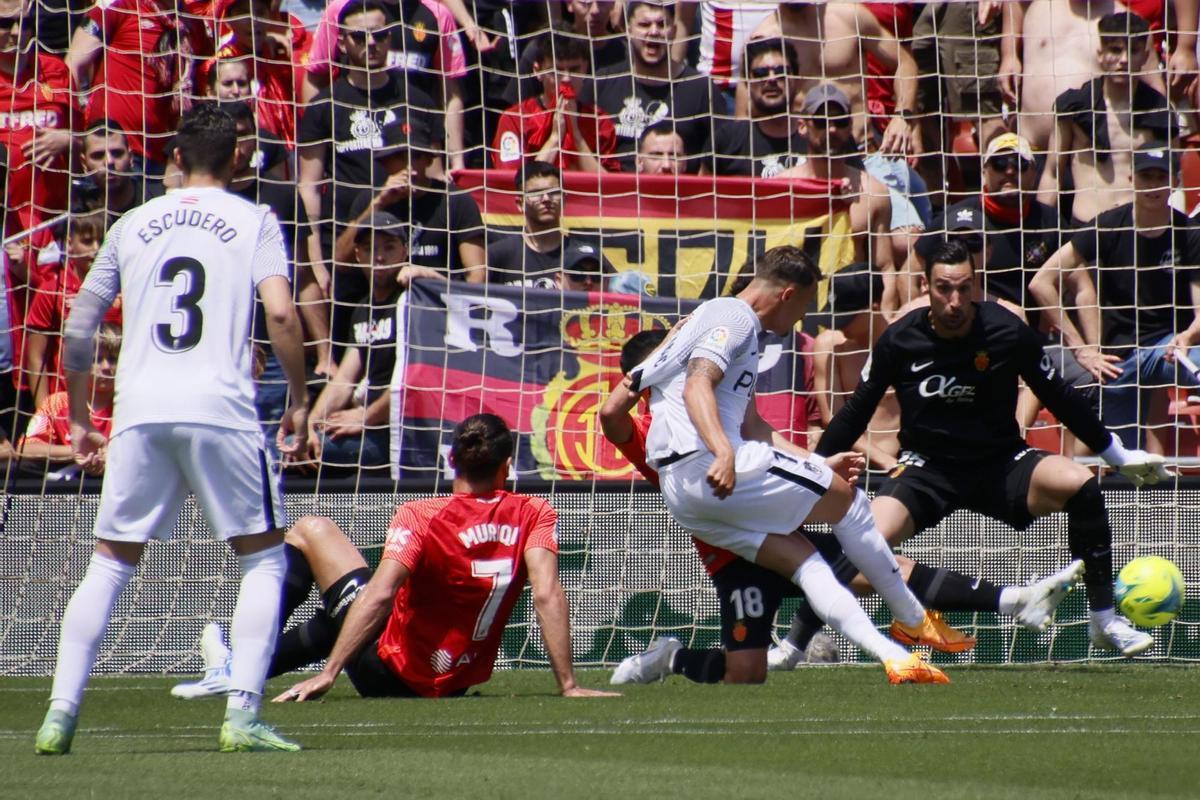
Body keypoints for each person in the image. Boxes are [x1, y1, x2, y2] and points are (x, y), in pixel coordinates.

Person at [34, 104, 311, 755]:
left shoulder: (132, 222)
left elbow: (78, 326)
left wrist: (77, 418)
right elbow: (281, 313)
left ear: (177, 159)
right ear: (238, 158)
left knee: (108, 564)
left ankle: (60, 714)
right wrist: (299, 399)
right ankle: (242, 716)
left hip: (139, 410)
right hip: (221, 409)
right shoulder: (256, 220)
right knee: (265, 560)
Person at [604, 329, 1084, 683]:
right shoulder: (648, 431)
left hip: (774, 521)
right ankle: (672, 657)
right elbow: (611, 418)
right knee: (744, 673)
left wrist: (817, 464)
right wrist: (637, 381)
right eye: (670, 360)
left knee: (870, 563)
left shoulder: (714, 400)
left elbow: (762, 440)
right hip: (732, 549)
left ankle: (1011, 600)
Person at [810, 238, 1171, 662]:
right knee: (859, 545)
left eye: (965, 287)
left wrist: (1117, 454)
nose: (956, 300)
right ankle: (800, 644)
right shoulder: (899, 340)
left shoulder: (1004, 329)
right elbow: (855, 411)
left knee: (1080, 484)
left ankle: (1104, 619)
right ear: (926, 288)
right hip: (927, 469)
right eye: (945, 288)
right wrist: (815, 466)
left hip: (1002, 463)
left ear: (976, 285)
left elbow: (1057, 394)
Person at [626, 244, 968, 684]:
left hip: (685, 496)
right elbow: (697, 388)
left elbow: (749, 425)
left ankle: (894, 656)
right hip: (712, 465)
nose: (803, 319)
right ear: (788, 295)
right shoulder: (735, 319)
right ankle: (912, 617)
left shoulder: (704, 321)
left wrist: (816, 462)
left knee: (808, 564)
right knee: (849, 501)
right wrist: (724, 452)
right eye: (806, 305)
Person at [208, 413, 614, 702]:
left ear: (451, 459)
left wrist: (329, 674)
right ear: (506, 467)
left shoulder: (421, 514)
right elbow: (547, 594)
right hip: (453, 682)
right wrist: (568, 684)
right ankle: (238, 668)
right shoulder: (534, 512)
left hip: (388, 673)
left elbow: (382, 594)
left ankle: (239, 661)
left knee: (311, 530)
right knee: (338, 613)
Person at [1030, 144, 1200, 451]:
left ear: (1174, 181)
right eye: (1146, 176)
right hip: (1118, 363)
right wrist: (1081, 349)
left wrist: (1188, 335)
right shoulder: (1108, 226)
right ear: (1132, 178)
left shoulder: (1189, 232)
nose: (1153, 185)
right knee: (1119, 460)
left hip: (1170, 352)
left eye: (1160, 176)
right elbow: (1041, 282)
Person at [304, 211, 438, 470]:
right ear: (358, 255)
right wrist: (310, 424)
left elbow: (414, 380)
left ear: (405, 251)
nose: (379, 257)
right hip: (369, 423)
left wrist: (365, 417)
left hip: (403, 429)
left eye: (389, 248)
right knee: (296, 446)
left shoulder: (416, 300)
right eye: (369, 249)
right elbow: (344, 380)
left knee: (309, 453)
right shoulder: (362, 310)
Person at [1038, 12, 1180, 227]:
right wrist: (1043, 232)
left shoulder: (1159, 112)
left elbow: (1171, 175)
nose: (1123, 60)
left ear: (1144, 56)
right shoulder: (1074, 106)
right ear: (1100, 54)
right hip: (1086, 226)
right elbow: (1052, 172)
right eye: (1115, 50)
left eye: (1132, 51)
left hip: (1138, 229)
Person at [579, 1, 716, 173]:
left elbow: (717, 159)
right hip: (612, 195)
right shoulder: (601, 82)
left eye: (661, 24)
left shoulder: (701, 89)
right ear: (628, 30)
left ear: (673, 31)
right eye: (644, 24)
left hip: (679, 196)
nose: (653, 31)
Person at [780, 84, 895, 274]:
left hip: (851, 300)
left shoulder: (874, 191)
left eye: (839, 121)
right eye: (821, 121)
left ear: (850, 126)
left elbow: (885, 267)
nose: (832, 129)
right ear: (802, 126)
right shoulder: (781, 188)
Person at [491, 24, 618, 173]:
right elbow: (515, 184)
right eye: (557, 71)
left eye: (574, 69)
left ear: (585, 69)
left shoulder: (600, 121)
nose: (566, 78)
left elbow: (610, 188)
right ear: (538, 71)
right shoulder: (514, 119)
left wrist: (576, 137)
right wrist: (555, 138)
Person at [487, 162, 612, 288]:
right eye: (536, 193)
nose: (546, 198)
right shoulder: (497, 255)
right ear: (520, 203)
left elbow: (615, 299)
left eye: (553, 192)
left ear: (564, 199)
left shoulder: (587, 256)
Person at [18, 322, 119, 474]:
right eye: (95, 359)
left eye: (112, 359)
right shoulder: (57, 403)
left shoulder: (129, 404)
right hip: (67, 489)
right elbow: (25, 449)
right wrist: (77, 452)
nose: (105, 366)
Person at [707, 38, 807, 178]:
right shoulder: (727, 140)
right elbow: (703, 193)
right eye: (761, 73)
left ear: (796, 79)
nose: (771, 79)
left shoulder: (823, 131)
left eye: (780, 71)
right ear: (747, 83)